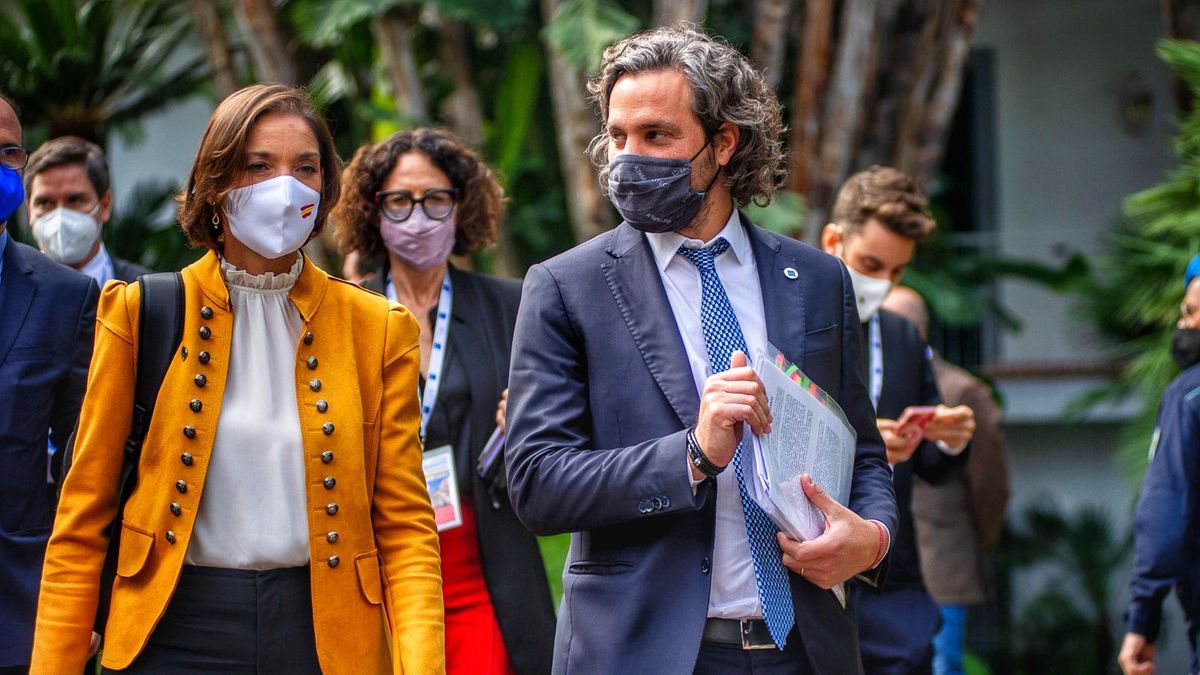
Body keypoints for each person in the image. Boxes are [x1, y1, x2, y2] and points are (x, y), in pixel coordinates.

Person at [505, 26, 897, 675]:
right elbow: (537, 484)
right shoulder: (566, 288)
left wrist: (873, 538)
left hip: (804, 649)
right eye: (619, 136)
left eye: (657, 135)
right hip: (644, 652)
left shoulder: (818, 279)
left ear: (723, 141)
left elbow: (866, 455)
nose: (629, 158)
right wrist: (691, 454)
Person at [30, 84, 443, 675]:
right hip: (173, 630)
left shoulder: (376, 329)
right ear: (216, 182)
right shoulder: (139, 311)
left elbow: (405, 530)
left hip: (324, 635)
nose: (286, 186)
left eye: (305, 168)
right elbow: (80, 523)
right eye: (258, 165)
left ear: (325, 189)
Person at [332, 127, 555, 675]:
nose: (418, 217)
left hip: (483, 561)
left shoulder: (510, 305)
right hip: (379, 566)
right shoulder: (344, 314)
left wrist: (530, 421)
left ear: (461, 205)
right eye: (400, 201)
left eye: (435, 199)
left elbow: (561, 419)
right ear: (373, 210)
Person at [820, 166, 975, 675]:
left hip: (891, 583)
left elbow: (933, 467)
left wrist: (950, 440)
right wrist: (860, 447)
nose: (882, 282)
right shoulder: (780, 323)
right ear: (832, 241)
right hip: (804, 572)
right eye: (870, 263)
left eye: (896, 272)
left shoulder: (903, 337)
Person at [0, 94, 98, 675]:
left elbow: (86, 465)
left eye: (8, 151)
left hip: (24, 617)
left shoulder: (66, 295)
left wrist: (82, 600)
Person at [883, 286, 1010, 675]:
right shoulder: (864, 374)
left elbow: (990, 483)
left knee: (942, 663)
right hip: (879, 561)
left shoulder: (960, 389)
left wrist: (976, 543)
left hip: (942, 559)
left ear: (917, 331)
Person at [1118, 252, 1200, 675]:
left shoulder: (1188, 397)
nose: (1183, 324)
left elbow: (1166, 515)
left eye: (1190, 312)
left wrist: (1142, 620)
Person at [25, 136, 151, 285]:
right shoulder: (8, 292)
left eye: (75, 200)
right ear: (30, 210)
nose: (60, 217)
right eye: (45, 202)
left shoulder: (148, 293)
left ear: (105, 205)